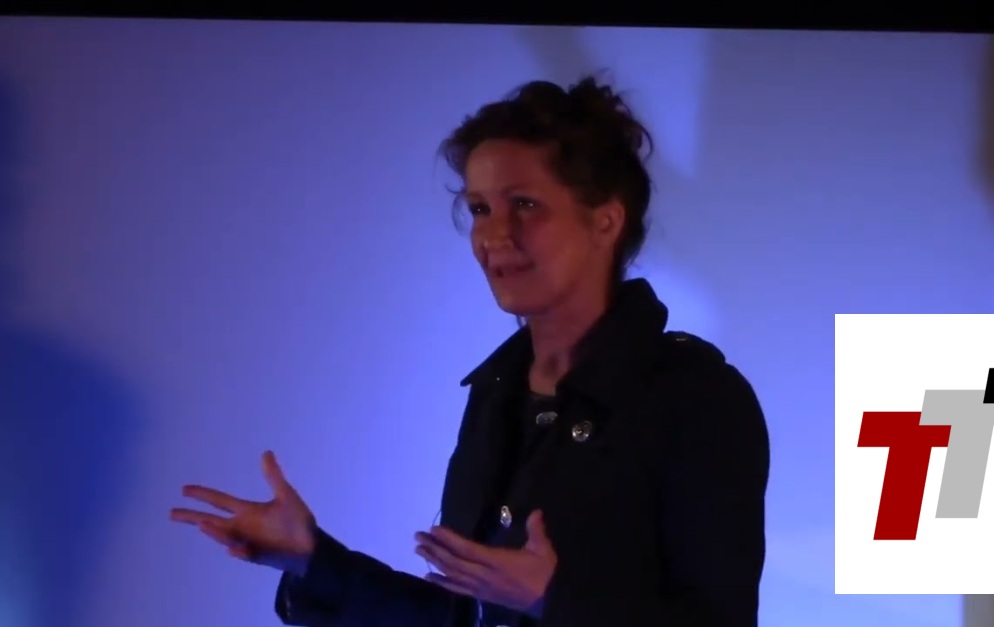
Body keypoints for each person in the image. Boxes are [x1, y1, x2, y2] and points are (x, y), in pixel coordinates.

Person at [170, 75, 770, 627]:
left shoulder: (694, 396)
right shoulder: (498, 392)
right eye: (480, 208)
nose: (493, 235)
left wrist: (556, 598)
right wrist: (313, 562)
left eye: (524, 204)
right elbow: (465, 618)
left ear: (606, 221)